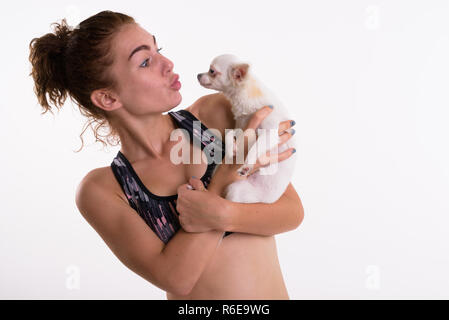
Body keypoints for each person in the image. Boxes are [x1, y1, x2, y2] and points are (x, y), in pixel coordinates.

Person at [29, 10, 304, 299]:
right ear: (108, 97)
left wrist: (222, 212)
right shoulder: (104, 189)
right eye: (145, 61)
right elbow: (176, 278)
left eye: (158, 49)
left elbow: (291, 212)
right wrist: (222, 182)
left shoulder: (215, 115)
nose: (167, 63)